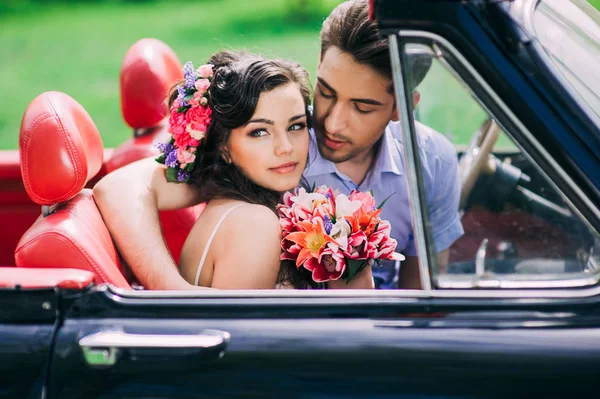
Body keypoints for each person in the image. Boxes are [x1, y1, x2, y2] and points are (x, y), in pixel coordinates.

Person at [94, 0, 462, 290]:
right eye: (327, 93)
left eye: (362, 108)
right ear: (318, 65)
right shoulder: (273, 147)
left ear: (402, 107)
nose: (331, 123)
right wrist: (171, 290)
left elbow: (423, 293)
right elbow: (121, 188)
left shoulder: (432, 161)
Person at [95, 50, 374, 290]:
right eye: (260, 132)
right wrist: (172, 288)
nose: (285, 147)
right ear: (224, 146)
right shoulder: (254, 222)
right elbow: (248, 346)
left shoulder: (242, 199)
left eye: (295, 126)